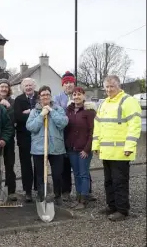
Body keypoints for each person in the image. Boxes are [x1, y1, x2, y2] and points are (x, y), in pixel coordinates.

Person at [92, 75, 142, 221]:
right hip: (107, 151)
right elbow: (98, 126)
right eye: (106, 87)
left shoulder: (128, 101)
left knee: (120, 181)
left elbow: (134, 125)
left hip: (121, 151)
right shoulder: (103, 103)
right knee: (108, 181)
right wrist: (96, 145)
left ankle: (122, 210)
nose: (109, 89)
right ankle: (112, 206)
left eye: (112, 86)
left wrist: (130, 146)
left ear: (119, 86)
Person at [54, 71, 96, 202]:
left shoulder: (87, 108)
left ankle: (86, 193)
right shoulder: (58, 100)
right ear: (62, 85)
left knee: (83, 170)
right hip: (67, 140)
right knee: (69, 169)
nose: (68, 85)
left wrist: (88, 148)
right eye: (66, 83)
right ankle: (68, 191)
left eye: (70, 82)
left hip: (82, 144)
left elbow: (92, 130)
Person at [26, 85, 68, 205]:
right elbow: (31, 127)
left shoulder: (58, 109)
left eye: (47, 94)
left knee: (57, 174)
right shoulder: (34, 111)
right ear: (39, 97)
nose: (45, 96)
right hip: (39, 149)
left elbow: (63, 123)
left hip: (56, 148)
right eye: (43, 95)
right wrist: (41, 115)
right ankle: (41, 195)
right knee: (40, 174)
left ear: (51, 96)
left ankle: (58, 195)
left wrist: (51, 111)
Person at [65, 87, 96, 210]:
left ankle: (84, 198)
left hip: (84, 149)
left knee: (84, 174)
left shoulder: (89, 112)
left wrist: (87, 149)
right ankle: (78, 197)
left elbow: (92, 131)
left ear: (84, 96)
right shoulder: (69, 111)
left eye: (79, 94)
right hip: (72, 149)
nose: (76, 96)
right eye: (74, 94)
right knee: (76, 174)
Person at [14, 78, 39, 202]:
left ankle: (39, 188)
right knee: (26, 164)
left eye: (30, 85)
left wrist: (29, 112)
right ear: (23, 88)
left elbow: (43, 114)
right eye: (26, 86)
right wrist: (34, 114)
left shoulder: (40, 96)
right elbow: (18, 117)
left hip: (38, 135)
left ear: (34, 86)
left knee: (38, 162)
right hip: (24, 136)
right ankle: (27, 190)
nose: (28, 87)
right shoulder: (19, 100)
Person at [0, 78, 18, 201]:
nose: (3, 89)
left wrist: (8, 107)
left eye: (6, 87)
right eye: (1, 86)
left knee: (9, 165)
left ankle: (11, 191)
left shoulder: (13, 102)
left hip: (8, 138)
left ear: (8, 89)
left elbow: (13, 120)